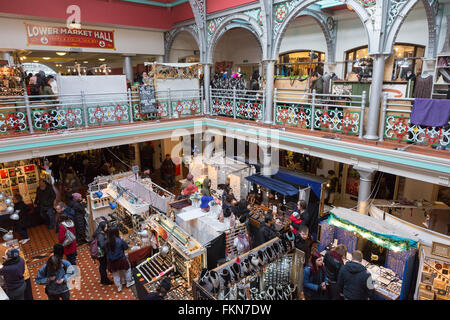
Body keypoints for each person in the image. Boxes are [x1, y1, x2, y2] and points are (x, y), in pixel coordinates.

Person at [106, 227, 135, 292]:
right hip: (121, 259)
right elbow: (126, 247)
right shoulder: (120, 240)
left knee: (115, 274)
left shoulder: (107, 242)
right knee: (127, 270)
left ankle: (119, 286)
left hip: (111, 261)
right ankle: (128, 283)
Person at [93, 221, 114, 285]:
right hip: (101, 254)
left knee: (102, 266)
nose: (107, 228)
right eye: (106, 226)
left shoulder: (97, 232)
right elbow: (102, 245)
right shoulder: (100, 235)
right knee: (103, 266)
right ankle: (104, 280)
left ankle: (103, 279)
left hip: (99, 253)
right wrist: (108, 242)